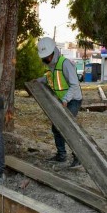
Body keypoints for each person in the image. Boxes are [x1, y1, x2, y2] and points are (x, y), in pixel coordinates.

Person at [36, 37, 83, 168]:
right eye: (44, 57)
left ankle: (78, 156)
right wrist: (38, 81)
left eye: (47, 57)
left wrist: (66, 99)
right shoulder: (51, 66)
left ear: (53, 52)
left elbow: (74, 85)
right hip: (62, 100)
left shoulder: (65, 63)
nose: (45, 60)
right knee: (56, 127)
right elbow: (50, 78)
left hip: (73, 100)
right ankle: (61, 155)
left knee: (67, 127)